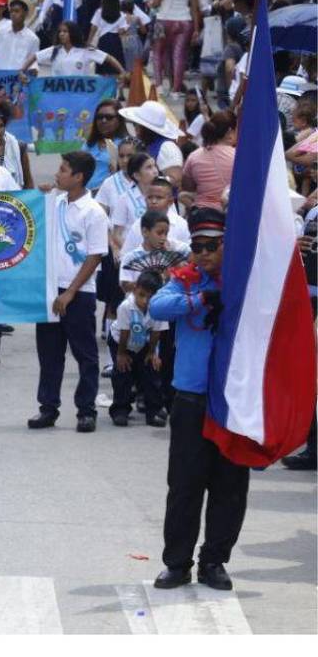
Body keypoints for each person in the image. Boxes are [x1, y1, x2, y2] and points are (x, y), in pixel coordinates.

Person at [149, 208, 248, 592]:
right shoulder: (185, 281)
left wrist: (225, 295)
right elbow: (157, 306)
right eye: (197, 246)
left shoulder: (242, 282)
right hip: (190, 399)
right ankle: (177, 563)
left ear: (228, 246)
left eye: (211, 247)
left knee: (229, 487)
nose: (203, 254)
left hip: (232, 401)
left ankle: (215, 561)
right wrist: (200, 300)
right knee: (185, 486)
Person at [30, 151, 108, 433]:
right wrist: (40, 195)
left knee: (85, 354)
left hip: (79, 292)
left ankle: (86, 411)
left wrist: (70, 293)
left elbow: (95, 256)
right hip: (51, 288)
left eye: (63, 170)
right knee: (49, 354)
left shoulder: (94, 212)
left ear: (78, 177)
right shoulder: (56, 202)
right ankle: (47, 408)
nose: (57, 174)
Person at [108, 270, 167, 428]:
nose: (145, 301)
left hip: (144, 342)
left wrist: (152, 353)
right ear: (134, 290)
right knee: (123, 373)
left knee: (151, 372)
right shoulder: (126, 307)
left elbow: (156, 332)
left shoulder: (158, 309)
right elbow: (124, 332)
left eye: (151, 297)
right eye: (141, 295)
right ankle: (120, 410)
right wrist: (121, 354)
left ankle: (153, 411)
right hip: (120, 341)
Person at [181, 111, 236, 210]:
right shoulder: (238, 157)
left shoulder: (194, 156)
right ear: (230, 132)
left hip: (201, 215)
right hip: (228, 213)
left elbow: (187, 186)